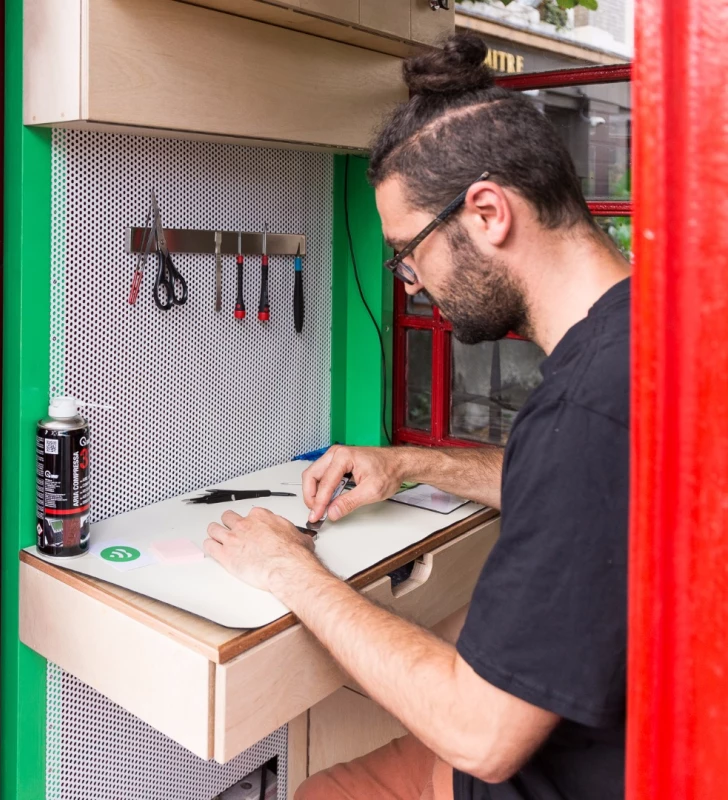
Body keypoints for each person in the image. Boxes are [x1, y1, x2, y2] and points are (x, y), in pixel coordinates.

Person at [203, 33, 631, 800]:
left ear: (489, 212)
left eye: (409, 252)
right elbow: (588, 487)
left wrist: (290, 572)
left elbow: (482, 736)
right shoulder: (639, 330)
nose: (409, 284)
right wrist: (411, 462)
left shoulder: (587, 411)